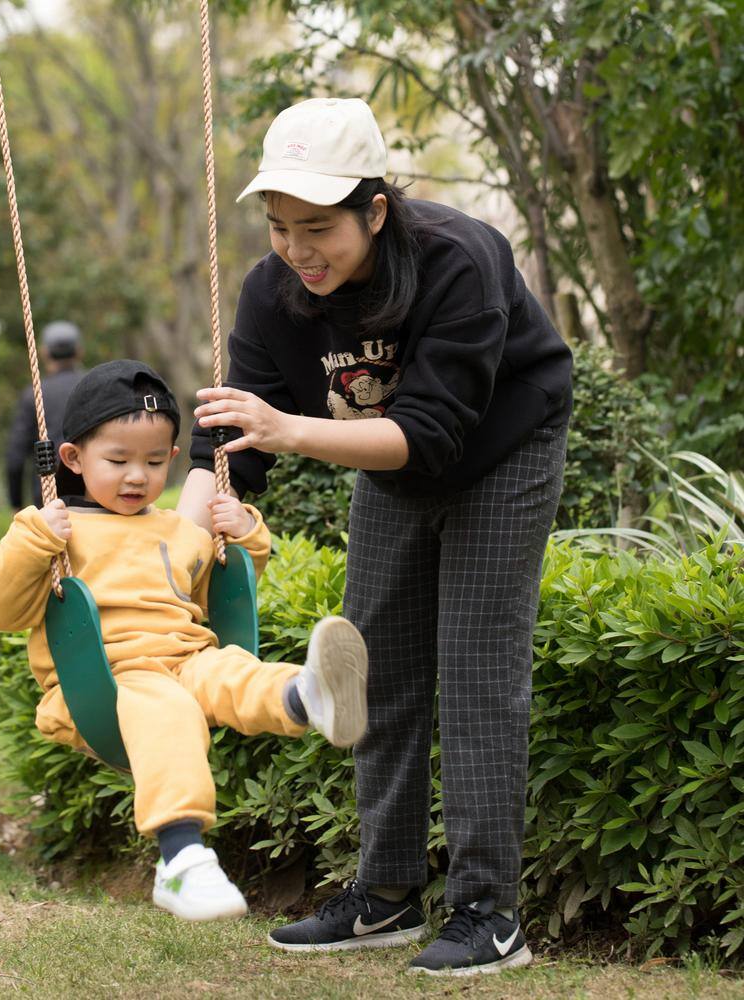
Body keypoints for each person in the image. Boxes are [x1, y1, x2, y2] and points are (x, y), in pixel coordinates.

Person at [179, 98, 572, 974]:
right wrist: (176, 550)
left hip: (501, 452)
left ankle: (487, 913)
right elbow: (230, 449)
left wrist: (288, 429)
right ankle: (385, 895)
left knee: (475, 670)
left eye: (319, 227)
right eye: (280, 227)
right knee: (372, 665)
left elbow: (427, 435)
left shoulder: (459, 259)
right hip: (389, 461)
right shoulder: (272, 293)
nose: (298, 250)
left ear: (376, 209)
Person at [0, 359, 370, 922]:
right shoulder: (54, 530)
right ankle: (181, 858)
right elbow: (2, 609)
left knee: (233, 671)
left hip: (185, 659)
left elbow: (224, 591)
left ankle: (309, 696)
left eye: (156, 461)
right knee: (165, 706)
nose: (138, 476)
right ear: (73, 459)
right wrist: (34, 541)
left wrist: (246, 536)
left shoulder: (176, 530)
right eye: (118, 461)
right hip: (104, 684)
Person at [5, 320, 86, 511]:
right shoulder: (94, 385)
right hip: (94, 488)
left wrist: (16, 504)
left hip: (49, 495)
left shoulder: (34, 394)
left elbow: (15, 457)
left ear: (44, 352)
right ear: (79, 351)